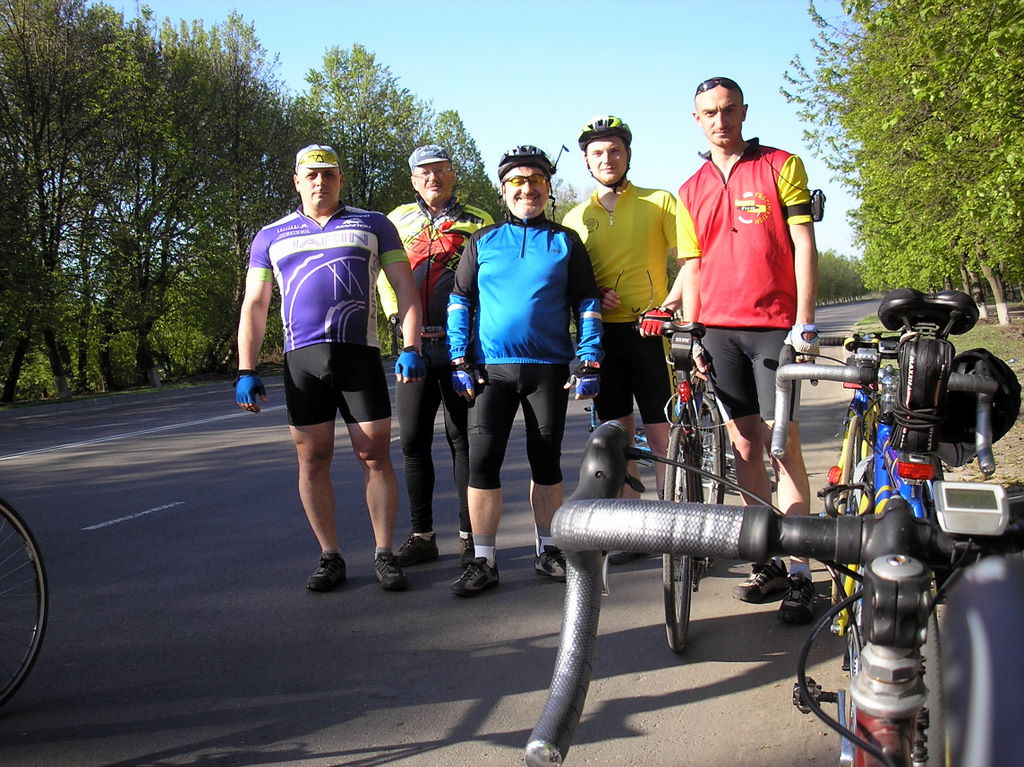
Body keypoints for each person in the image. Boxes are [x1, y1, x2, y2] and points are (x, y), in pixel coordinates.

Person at [235, 143, 425, 593]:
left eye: (329, 174)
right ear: (297, 181)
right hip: (302, 361)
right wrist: (246, 368)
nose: (320, 181)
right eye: (312, 175)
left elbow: (405, 286)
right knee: (312, 459)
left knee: (374, 456)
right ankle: (330, 555)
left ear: (340, 179)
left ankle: (384, 553)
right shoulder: (270, 235)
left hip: (359, 355)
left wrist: (411, 344)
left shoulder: (373, 224)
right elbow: (255, 304)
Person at [675, 78, 820, 623]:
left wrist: (805, 321)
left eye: (729, 109)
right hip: (719, 331)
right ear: (696, 119)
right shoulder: (689, 188)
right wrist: (692, 329)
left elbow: (804, 243)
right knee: (743, 448)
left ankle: (801, 571)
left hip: (774, 328)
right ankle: (768, 561)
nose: (721, 120)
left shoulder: (782, 165)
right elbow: (693, 266)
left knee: (783, 446)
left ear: (744, 111)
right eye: (710, 113)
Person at [446, 145, 603, 597]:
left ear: (548, 188)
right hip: (490, 370)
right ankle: (483, 559)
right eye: (517, 181)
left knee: (546, 461)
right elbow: (460, 301)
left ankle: (548, 549)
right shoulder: (482, 241)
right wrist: (458, 359)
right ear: (503, 190)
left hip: (547, 368)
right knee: (482, 462)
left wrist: (589, 359)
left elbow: (587, 303)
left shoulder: (565, 241)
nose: (527, 189)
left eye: (536, 180)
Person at [562, 115, 677, 565]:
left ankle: (673, 527)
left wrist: (670, 306)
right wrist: (592, 293)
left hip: (650, 330)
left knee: (662, 434)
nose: (607, 158)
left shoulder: (659, 201)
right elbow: (571, 282)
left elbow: (695, 259)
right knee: (617, 436)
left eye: (615, 150)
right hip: (602, 337)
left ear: (628, 155)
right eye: (597, 153)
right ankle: (633, 527)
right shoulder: (576, 217)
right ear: (587, 162)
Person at [377, 145, 494, 569]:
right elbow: (384, 276)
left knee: (463, 441)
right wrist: (396, 319)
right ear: (413, 179)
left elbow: (491, 279)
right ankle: (422, 536)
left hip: (461, 348)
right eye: (424, 172)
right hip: (415, 348)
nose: (433, 178)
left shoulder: (479, 220)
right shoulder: (395, 220)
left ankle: (468, 535)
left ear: (452, 174)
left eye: (440, 170)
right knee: (412, 442)